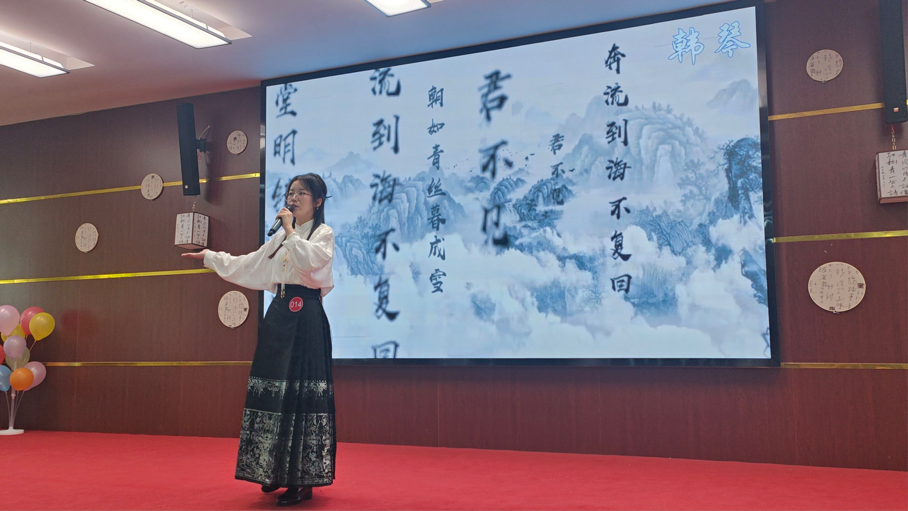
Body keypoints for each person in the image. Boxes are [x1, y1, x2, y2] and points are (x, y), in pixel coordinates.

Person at [182, 173, 336, 507]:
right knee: (272, 393)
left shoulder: (323, 234)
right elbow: (251, 265)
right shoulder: (281, 237)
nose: (293, 198)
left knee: (299, 396)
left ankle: (301, 481)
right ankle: (274, 471)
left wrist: (290, 231)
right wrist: (210, 257)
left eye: (301, 194)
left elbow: (308, 263)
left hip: (306, 316)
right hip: (278, 315)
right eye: (290, 192)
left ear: (318, 202)